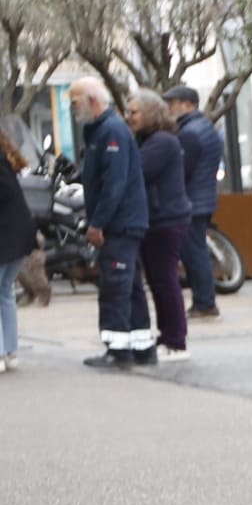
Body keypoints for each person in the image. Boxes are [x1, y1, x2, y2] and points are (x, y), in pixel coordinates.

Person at [70, 77, 153, 369]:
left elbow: (113, 184)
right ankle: (142, 346)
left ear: (91, 100)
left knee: (115, 286)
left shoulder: (111, 131)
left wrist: (98, 223)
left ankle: (118, 350)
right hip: (125, 221)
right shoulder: (105, 131)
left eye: (75, 102)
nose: (73, 109)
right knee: (129, 285)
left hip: (119, 223)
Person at [130, 92, 192, 361]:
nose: (129, 117)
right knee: (158, 280)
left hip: (165, 219)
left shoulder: (162, 142)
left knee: (165, 280)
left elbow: (137, 172)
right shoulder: (149, 140)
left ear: (151, 113)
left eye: (135, 112)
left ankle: (176, 340)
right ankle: (167, 335)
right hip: (158, 218)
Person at [166, 85, 223, 318]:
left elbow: (181, 170)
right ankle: (204, 301)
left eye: (173, 104)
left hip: (192, 201)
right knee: (196, 250)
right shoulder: (205, 127)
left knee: (194, 253)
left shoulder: (189, 133)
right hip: (203, 198)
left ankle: (204, 303)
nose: (169, 109)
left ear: (188, 105)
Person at [0, 127, 33, 374]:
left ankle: (2, 354)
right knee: (6, 292)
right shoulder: (5, 158)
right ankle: (10, 352)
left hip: (5, 236)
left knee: (4, 292)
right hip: (18, 235)